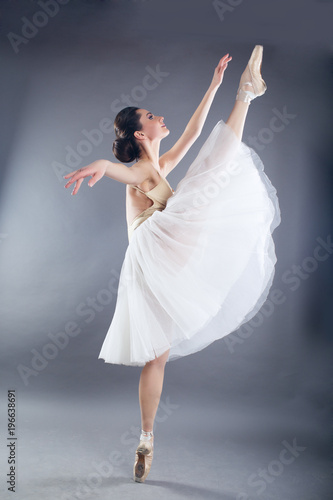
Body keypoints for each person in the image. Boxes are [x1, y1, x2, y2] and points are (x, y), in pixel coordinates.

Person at [64, 45, 281, 483]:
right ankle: (246, 94)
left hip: (161, 260)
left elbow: (197, 132)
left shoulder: (159, 165)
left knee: (157, 358)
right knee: (207, 180)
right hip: (155, 249)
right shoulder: (141, 171)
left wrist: (214, 83)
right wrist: (101, 165)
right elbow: (118, 170)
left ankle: (146, 439)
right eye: (152, 116)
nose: (160, 117)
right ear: (140, 134)